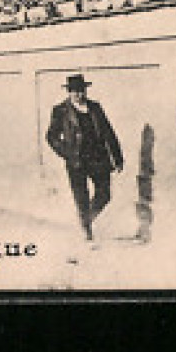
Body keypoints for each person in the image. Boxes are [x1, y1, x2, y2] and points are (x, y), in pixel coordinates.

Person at [45, 74, 124, 242]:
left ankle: (86, 219)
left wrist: (117, 158)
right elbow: (51, 136)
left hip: (98, 158)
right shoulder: (60, 110)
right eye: (74, 92)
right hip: (77, 161)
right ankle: (86, 229)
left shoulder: (95, 107)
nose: (78, 95)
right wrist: (66, 152)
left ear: (85, 91)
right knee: (81, 196)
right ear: (69, 92)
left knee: (104, 194)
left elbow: (109, 133)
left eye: (81, 91)